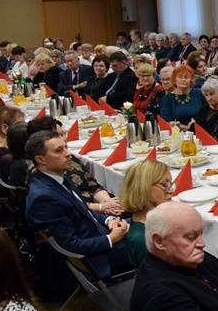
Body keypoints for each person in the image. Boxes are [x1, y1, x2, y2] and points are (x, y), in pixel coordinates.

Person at [25, 130, 131, 279]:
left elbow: (83, 210)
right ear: (41, 159)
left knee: (152, 221)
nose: (68, 153)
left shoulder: (58, 177)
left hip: (99, 233)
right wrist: (111, 239)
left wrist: (109, 221)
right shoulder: (44, 198)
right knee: (158, 240)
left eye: (66, 147)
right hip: (97, 258)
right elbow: (70, 246)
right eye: (59, 150)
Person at [27, 117, 122, 214]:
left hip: (98, 211)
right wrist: (101, 207)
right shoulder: (40, 174)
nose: (64, 138)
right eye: (59, 135)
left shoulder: (68, 159)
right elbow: (69, 205)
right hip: (86, 213)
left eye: (62, 133)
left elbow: (92, 185)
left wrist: (108, 202)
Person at [120, 160, 174, 268]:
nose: (171, 190)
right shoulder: (143, 239)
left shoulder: (150, 218)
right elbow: (158, 280)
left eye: (171, 184)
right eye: (165, 185)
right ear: (144, 188)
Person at [0, 107, 24, 183]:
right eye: (19, 126)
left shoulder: (4, 146)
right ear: (5, 128)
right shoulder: (2, 155)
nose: (24, 129)